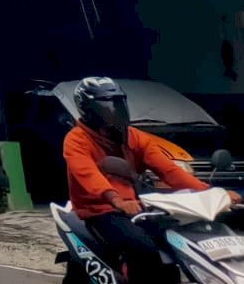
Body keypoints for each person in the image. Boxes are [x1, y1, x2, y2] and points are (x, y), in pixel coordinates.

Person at [63, 76, 233, 282]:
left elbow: (169, 170)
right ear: (89, 109)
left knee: (179, 240)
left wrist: (211, 193)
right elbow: (87, 174)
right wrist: (118, 200)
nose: (115, 110)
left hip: (137, 206)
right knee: (142, 247)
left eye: (118, 103)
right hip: (100, 210)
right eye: (107, 105)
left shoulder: (135, 137)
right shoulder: (76, 139)